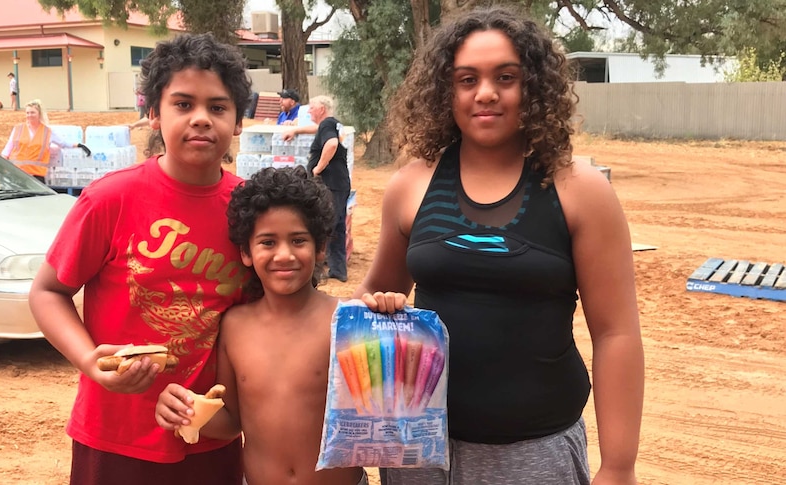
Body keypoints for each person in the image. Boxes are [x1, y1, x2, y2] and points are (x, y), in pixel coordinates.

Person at [354, 6, 644, 485]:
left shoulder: (580, 191)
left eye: (505, 77)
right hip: (419, 452)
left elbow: (615, 334)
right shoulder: (411, 185)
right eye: (466, 79)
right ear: (445, 90)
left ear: (532, 86)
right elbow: (376, 301)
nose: (485, 93)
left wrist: (619, 466)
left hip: (535, 455)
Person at [28, 32, 254, 485]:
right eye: (183, 104)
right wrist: (91, 361)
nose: (201, 119)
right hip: (114, 435)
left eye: (218, 107)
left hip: (209, 435)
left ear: (238, 122)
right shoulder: (111, 198)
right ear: (153, 114)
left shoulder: (250, 210)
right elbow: (48, 292)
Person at [155, 166, 405, 485]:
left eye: (298, 240)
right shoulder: (234, 326)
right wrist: (186, 412)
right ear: (246, 251)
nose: (284, 255)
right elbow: (231, 421)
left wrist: (390, 319)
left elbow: (389, 406)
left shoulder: (349, 321)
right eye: (268, 242)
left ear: (320, 248)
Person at [283, 95, 350, 282]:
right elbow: (319, 131)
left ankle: (317, 269)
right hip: (339, 183)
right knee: (337, 226)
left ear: (322, 109)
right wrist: (296, 130)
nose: (309, 111)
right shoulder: (330, 124)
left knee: (325, 224)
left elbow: (332, 143)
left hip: (331, 184)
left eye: (312, 108)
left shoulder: (327, 124)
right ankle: (338, 269)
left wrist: (317, 169)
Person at [0, 99, 90, 183]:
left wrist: (79, 145)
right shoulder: (18, 129)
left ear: (39, 114)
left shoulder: (48, 131)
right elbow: (7, 151)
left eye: (32, 112)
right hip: (17, 175)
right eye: (27, 113)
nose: (29, 115)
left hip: (36, 177)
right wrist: (1, 169)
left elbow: (63, 143)